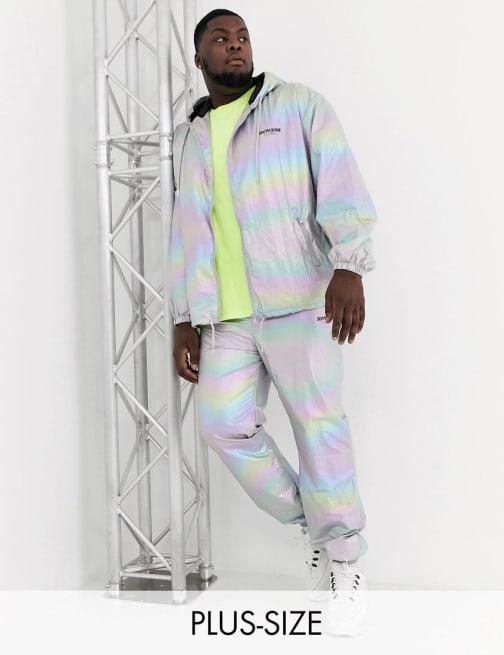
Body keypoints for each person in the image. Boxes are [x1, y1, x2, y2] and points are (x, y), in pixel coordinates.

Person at [167, 8, 377, 637]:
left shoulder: (299, 106)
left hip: (297, 299)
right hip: (226, 317)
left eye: (242, 37)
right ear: (199, 59)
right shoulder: (191, 137)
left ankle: (345, 563)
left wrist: (349, 265)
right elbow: (186, 230)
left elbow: (340, 181)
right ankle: (316, 525)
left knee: (319, 428)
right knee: (221, 424)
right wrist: (184, 316)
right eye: (220, 39)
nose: (235, 46)